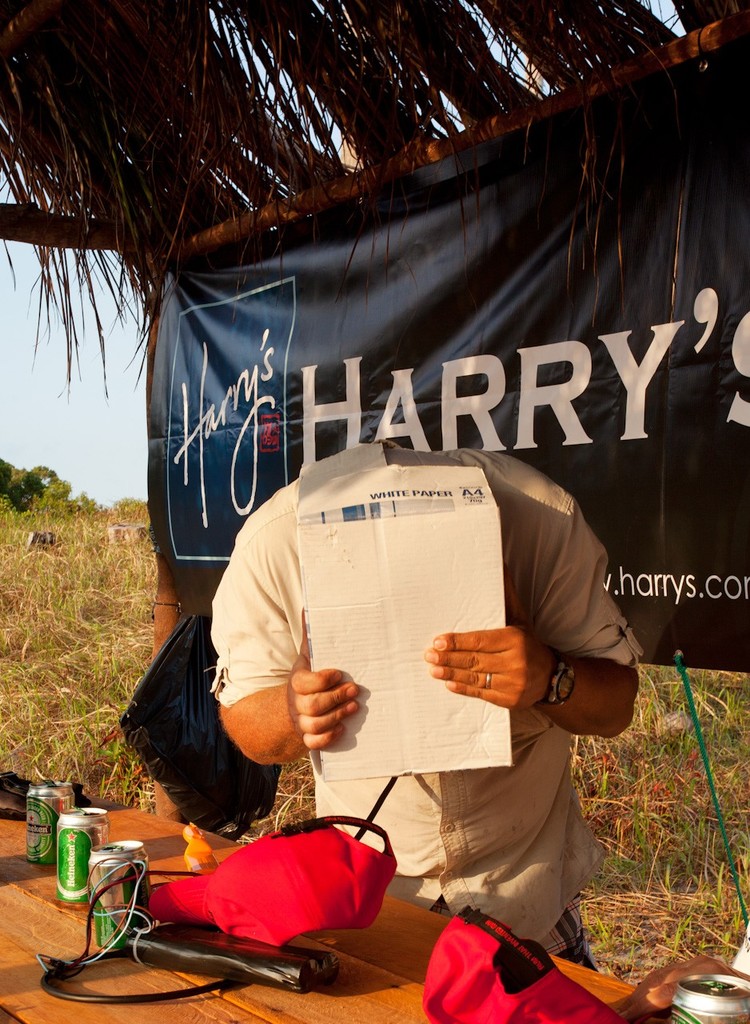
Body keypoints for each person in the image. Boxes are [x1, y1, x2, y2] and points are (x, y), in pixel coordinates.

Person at [211, 443, 642, 966]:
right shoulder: (274, 541)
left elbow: (616, 706)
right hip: (371, 909)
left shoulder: (541, 517)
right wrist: (292, 710)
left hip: (529, 900)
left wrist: (550, 677)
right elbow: (246, 727)